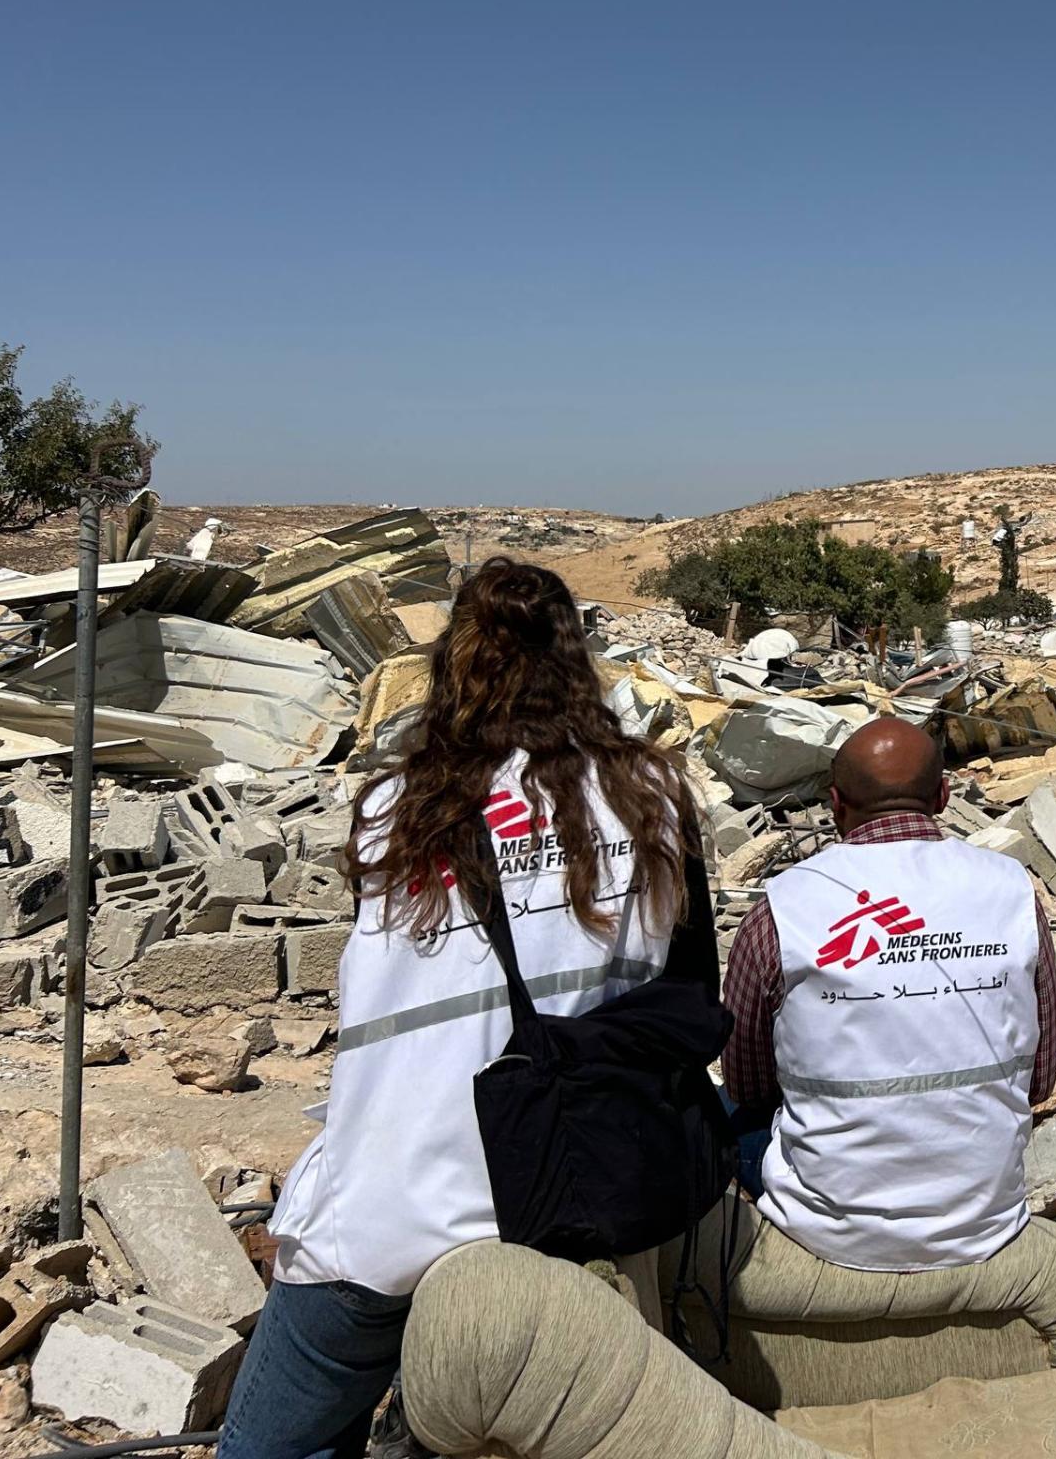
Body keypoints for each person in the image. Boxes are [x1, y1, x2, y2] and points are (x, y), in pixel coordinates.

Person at [218, 559, 705, 1459]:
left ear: (455, 661)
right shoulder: (655, 800)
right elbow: (686, 992)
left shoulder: (401, 807)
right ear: (576, 658)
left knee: (275, 1442)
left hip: (393, 1196)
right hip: (559, 1203)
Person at [722, 716, 1056, 1270]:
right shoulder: (1012, 892)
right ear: (945, 795)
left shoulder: (781, 909)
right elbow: (1039, 1082)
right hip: (984, 1221)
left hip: (828, 1230)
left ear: (835, 805)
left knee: (719, 1103)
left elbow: (749, 1083)